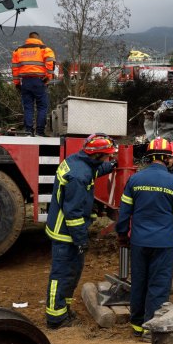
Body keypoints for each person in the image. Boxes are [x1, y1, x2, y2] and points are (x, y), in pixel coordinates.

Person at [116, 137, 173, 341]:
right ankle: (152, 330)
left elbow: (124, 212)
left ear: (149, 157)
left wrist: (122, 235)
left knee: (139, 282)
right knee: (158, 286)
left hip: (139, 242)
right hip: (164, 243)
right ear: (167, 158)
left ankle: (136, 325)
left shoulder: (135, 179)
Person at [45, 133, 118, 329]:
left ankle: (63, 310)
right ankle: (55, 318)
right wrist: (81, 240)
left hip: (64, 228)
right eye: (107, 156)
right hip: (66, 232)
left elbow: (94, 170)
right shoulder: (79, 176)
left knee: (71, 273)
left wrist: (111, 166)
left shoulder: (78, 162)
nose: (108, 159)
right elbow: (73, 213)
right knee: (61, 274)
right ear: (97, 155)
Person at [11, 32, 56, 136]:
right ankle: (40, 132)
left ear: (28, 38)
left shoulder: (18, 51)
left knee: (28, 107)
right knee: (42, 106)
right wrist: (47, 78)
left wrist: (17, 83)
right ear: (38, 38)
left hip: (25, 82)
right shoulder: (44, 49)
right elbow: (50, 63)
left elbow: (15, 68)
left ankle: (28, 131)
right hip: (39, 81)